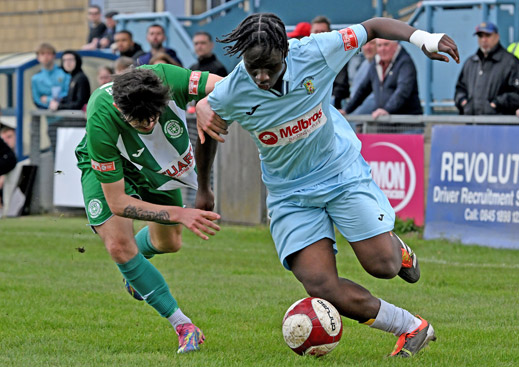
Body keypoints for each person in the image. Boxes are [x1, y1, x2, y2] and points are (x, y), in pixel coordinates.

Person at [195, 13, 460, 358]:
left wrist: (423, 38)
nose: (260, 77)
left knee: (384, 267)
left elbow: (375, 25)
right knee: (320, 285)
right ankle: (411, 326)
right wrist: (204, 187)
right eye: (253, 67)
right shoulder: (233, 90)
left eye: (270, 67)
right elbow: (206, 132)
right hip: (290, 194)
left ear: (286, 52)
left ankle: (399, 251)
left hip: (340, 173)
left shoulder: (317, 51)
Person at [74, 64, 223, 354]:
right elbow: (118, 203)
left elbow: (226, 85)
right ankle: (183, 325)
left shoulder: (165, 78)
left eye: (152, 118)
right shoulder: (101, 117)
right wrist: (181, 213)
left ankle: (136, 270)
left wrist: (207, 103)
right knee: (118, 245)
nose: (147, 125)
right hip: (110, 168)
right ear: (119, 107)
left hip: (158, 168)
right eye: (138, 121)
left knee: (169, 243)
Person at [346, 39, 422, 118]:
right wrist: (346, 110)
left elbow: (403, 90)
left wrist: (387, 109)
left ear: (395, 45)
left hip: (408, 124)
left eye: (386, 45)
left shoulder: (405, 62)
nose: (382, 49)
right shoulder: (376, 62)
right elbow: (363, 89)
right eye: (379, 45)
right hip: (386, 124)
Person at [455, 21, 519, 115]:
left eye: (488, 35)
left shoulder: (510, 62)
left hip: (499, 125)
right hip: (471, 124)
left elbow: (516, 94)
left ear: (497, 37)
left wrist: (496, 103)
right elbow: (460, 88)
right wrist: (463, 102)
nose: (484, 40)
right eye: (480, 36)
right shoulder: (471, 62)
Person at [311, 16, 349, 111]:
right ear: (310, 34)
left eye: (322, 32)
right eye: (316, 32)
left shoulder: (340, 56)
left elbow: (341, 86)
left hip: (332, 105)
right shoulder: (304, 57)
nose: (319, 35)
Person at [31, 43, 70, 109]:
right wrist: (50, 106)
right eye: (42, 54)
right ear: (38, 58)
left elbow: (68, 93)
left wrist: (49, 99)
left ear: (54, 56)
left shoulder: (64, 73)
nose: (46, 56)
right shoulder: (35, 78)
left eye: (48, 53)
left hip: (66, 112)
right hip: (48, 114)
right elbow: (37, 99)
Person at [348, 39, 377, 115]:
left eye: (372, 43)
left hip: (370, 119)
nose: (368, 47)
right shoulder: (363, 65)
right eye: (365, 44)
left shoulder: (381, 66)